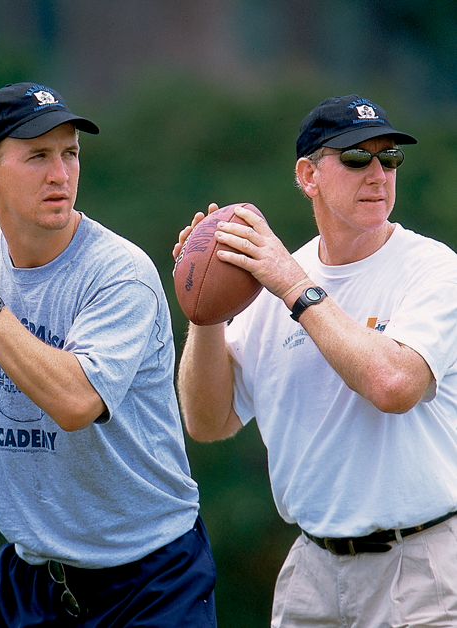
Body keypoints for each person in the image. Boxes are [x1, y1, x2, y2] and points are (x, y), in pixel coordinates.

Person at [0, 82, 217, 627]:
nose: (60, 173)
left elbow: (76, 400)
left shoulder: (119, 272)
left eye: (70, 153)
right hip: (32, 580)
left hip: (151, 578)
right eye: (38, 155)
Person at [175, 94, 457, 627]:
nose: (378, 173)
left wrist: (292, 286)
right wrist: (203, 306)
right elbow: (208, 421)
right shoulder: (276, 280)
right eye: (356, 157)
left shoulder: (434, 269)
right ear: (308, 174)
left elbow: (394, 384)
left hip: (420, 570)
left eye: (389, 156)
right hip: (311, 574)